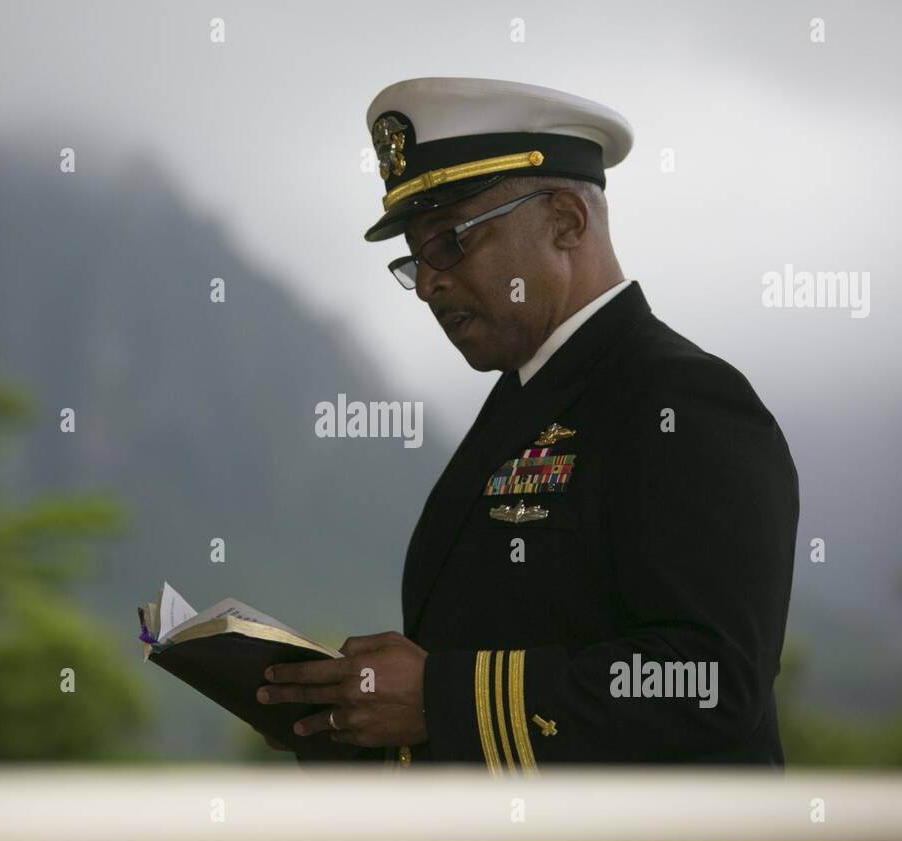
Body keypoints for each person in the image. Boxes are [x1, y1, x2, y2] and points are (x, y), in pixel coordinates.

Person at [257, 77, 800, 774]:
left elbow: (711, 679)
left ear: (567, 222)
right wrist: (346, 720)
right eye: (415, 257)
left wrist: (437, 699)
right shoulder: (524, 399)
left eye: (450, 242)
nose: (427, 282)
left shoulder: (682, 399)